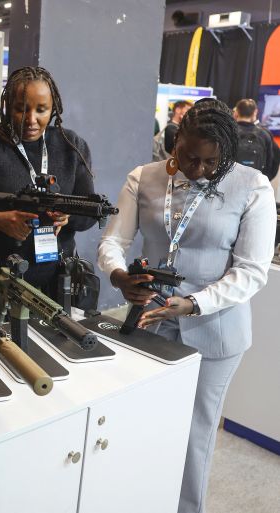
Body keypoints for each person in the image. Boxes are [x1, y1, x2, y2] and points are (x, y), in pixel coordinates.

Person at [97, 98, 275, 513]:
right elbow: (113, 241)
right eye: (187, 157)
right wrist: (119, 276)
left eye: (209, 162)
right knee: (140, 420)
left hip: (215, 331)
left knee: (195, 433)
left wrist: (195, 303)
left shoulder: (252, 187)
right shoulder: (144, 177)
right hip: (149, 321)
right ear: (175, 145)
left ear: (225, 153)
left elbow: (251, 271)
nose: (196, 170)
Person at [0, 66, 97, 298]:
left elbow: (89, 212)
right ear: (7, 107)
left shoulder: (71, 146)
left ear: (54, 109)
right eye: (21, 109)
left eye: (41, 110)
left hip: (56, 283)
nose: (31, 120)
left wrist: (68, 216)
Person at [233, 98, 279, 181]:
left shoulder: (228, 132)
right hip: (256, 184)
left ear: (236, 112)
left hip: (230, 184)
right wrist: (265, 180)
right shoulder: (265, 134)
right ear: (255, 112)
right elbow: (274, 160)